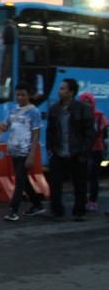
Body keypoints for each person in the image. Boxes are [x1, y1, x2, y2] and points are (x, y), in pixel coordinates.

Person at [46, 78, 95, 221]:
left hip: (77, 153)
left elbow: (89, 133)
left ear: (71, 92)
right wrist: (51, 148)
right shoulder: (54, 109)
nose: (59, 91)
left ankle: (79, 212)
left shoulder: (83, 109)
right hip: (59, 153)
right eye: (60, 88)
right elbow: (50, 131)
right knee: (55, 183)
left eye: (63, 88)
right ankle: (56, 210)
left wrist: (84, 152)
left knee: (80, 185)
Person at [0, 82, 44, 221]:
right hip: (13, 149)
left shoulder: (34, 112)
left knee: (20, 181)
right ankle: (37, 204)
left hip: (25, 150)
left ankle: (13, 210)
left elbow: (36, 134)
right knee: (23, 179)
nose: (20, 97)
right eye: (17, 94)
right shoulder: (11, 109)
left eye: (23, 94)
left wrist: (32, 154)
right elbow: (5, 125)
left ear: (29, 95)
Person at [79, 92, 108, 211]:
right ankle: (82, 200)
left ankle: (92, 201)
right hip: (81, 150)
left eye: (89, 102)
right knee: (81, 177)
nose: (86, 105)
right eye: (84, 102)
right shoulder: (77, 115)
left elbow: (104, 133)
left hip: (96, 150)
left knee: (92, 176)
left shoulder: (100, 116)